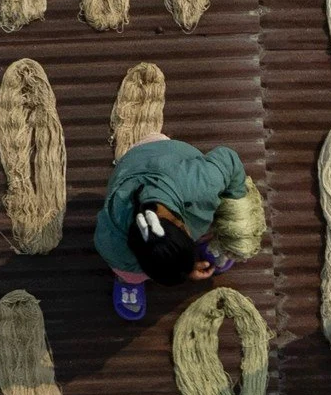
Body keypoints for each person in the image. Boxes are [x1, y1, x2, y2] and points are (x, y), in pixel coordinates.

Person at [94, 133, 249, 321]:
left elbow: (229, 159)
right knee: (129, 273)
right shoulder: (112, 243)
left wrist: (236, 211)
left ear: (180, 225)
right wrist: (186, 269)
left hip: (163, 151)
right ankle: (127, 281)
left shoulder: (200, 183)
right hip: (134, 166)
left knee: (221, 214)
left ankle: (206, 245)